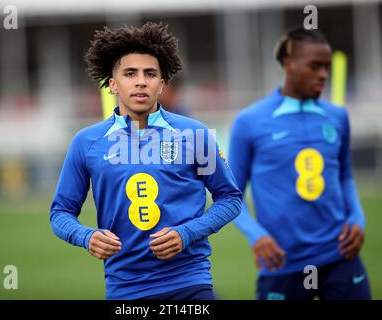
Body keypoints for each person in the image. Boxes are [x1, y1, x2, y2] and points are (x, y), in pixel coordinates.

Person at [50, 22, 242, 300]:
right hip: (125, 290)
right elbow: (60, 213)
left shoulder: (194, 134)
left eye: (150, 74)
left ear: (162, 84)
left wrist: (187, 233)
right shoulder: (86, 142)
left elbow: (230, 198)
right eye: (130, 73)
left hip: (190, 283)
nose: (141, 81)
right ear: (112, 84)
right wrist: (86, 237)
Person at [228, 26, 371, 300]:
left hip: (340, 254)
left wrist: (357, 218)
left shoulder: (337, 116)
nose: (323, 75)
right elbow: (231, 195)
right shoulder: (250, 121)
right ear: (288, 64)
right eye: (315, 66)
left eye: (327, 67)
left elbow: (345, 176)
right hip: (282, 263)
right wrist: (256, 235)